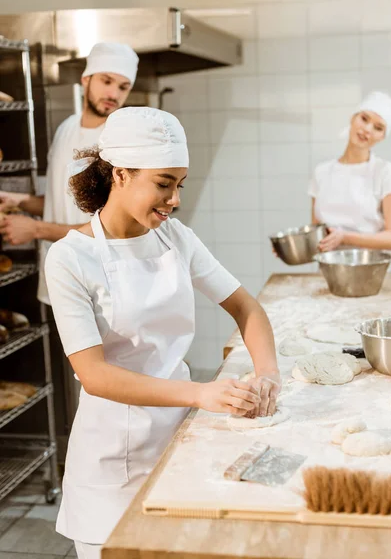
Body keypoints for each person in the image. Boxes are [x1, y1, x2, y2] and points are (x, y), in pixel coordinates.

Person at [45, 107, 281, 559]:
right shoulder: (71, 258)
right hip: (112, 462)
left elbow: (245, 306)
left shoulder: (176, 239)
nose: (175, 199)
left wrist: (268, 372)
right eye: (164, 182)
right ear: (120, 174)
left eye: (179, 184)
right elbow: (94, 375)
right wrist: (199, 394)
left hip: (180, 443)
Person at [0, 41, 139, 305]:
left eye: (123, 87)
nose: (114, 93)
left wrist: (36, 230)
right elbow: (63, 202)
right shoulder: (66, 128)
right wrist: (21, 202)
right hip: (61, 275)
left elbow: (114, 226)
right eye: (106, 81)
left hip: (102, 284)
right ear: (85, 80)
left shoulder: (121, 139)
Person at [310, 91, 391, 252]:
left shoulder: (385, 172)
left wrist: (344, 237)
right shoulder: (321, 172)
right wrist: (291, 248)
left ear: (382, 137)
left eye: (378, 128)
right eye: (364, 119)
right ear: (353, 118)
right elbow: (317, 237)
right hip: (328, 272)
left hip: (370, 272)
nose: (367, 129)